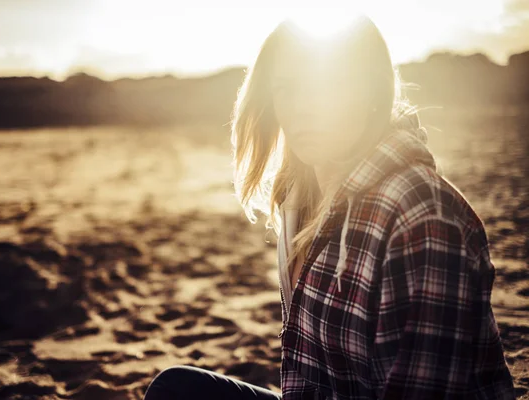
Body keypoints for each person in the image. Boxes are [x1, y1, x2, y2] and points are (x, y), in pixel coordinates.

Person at [143, 11, 516, 400]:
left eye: (328, 86)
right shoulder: (301, 198)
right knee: (176, 389)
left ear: (371, 92)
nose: (304, 108)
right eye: (288, 88)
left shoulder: (421, 216)